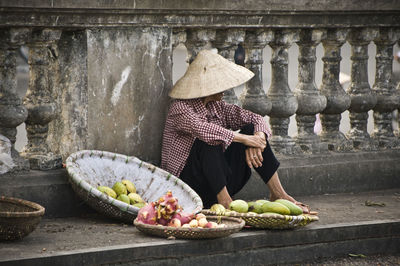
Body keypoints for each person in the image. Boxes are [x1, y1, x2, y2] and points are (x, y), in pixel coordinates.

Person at [161, 50, 314, 214]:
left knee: (251, 128)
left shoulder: (217, 107)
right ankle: (225, 202)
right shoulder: (180, 108)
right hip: (189, 186)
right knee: (209, 139)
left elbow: (254, 118)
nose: (226, 89)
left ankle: (278, 193)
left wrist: (258, 138)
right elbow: (203, 129)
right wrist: (244, 139)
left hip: (217, 180)